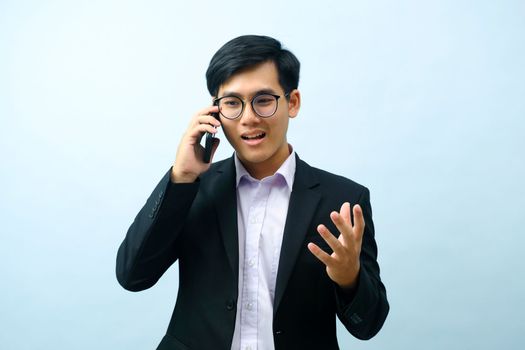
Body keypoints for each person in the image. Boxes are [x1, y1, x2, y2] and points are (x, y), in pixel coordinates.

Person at [116, 35, 389, 350]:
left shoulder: (343, 199)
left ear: (293, 102)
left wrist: (349, 277)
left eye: (263, 99)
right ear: (215, 112)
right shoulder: (192, 189)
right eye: (232, 103)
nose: (248, 117)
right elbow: (133, 276)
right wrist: (182, 177)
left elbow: (368, 325)